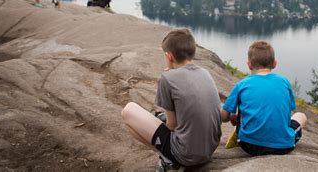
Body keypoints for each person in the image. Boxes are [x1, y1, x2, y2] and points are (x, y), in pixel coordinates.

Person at [121, 29, 222, 170]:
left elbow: (172, 125)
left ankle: (169, 160)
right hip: (209, 150)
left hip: (186, 154)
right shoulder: (205, 73)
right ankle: (170, 157)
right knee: (150, 120)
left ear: (169, 56)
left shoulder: (168, 79)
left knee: (128, 112)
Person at [221, 40, 307, 156]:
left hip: (249, 145)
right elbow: (288, 111)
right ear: (274, 64)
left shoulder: (242, 84)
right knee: (301, 116)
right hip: (283, 146)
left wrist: (233, 117)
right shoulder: (284, 82)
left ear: (249, 64)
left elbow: (224, 117)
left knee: (242, 111)